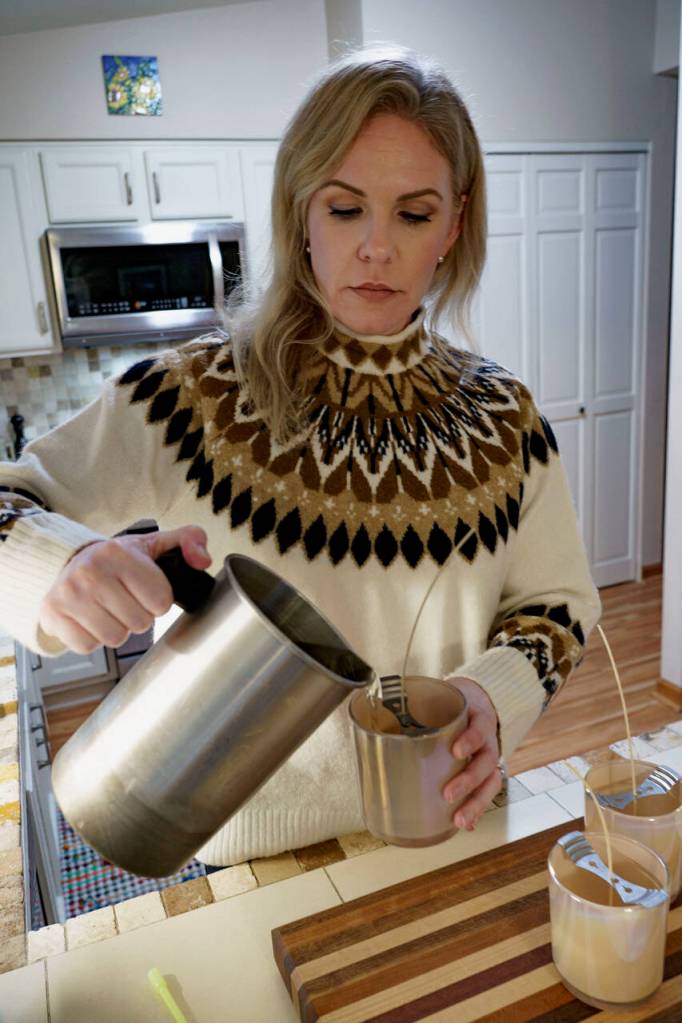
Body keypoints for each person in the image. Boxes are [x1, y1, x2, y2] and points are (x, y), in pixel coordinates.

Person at [0, 45, 600, 867]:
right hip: (250, 858)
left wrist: (489, 698)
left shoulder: (508, 419)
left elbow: (557, 608)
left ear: (455, 225)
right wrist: (58, 564)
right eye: (346, 209)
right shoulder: (193, 398)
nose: (376, 249)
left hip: (452, 826)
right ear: (301, 215)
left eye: (414, 214)